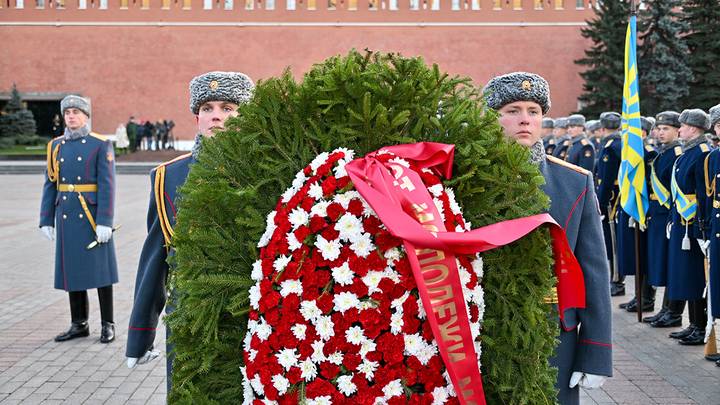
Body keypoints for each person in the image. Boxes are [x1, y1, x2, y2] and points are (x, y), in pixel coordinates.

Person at [485, 72, 612, 405]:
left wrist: (596, 352)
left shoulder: (574, 182)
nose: (525, 119)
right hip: (484, 332)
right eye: (512, 110)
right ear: (492, 117)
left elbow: (594, 271)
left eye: (533, 110)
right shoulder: (468, 178)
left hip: (554, 335)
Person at [125, 71, 255, 387]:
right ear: (197, 117)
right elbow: (156, 259)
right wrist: (140, 335)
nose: (216, 117)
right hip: (190, 317)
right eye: (207, 109)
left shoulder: (265, 173)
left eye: (227, 108)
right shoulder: (168, 177)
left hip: (250, 317)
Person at [39, 95, 118, 344]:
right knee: (72, 270)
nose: (71, 116)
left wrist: (105, 220)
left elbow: (107, 186)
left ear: (86, 116)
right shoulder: (56, 146)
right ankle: (79, 323)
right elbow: (50, 184)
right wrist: (45, 219)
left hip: (92, 217)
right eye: (67, 112)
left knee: (101, 272)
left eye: (76, 112)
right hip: (67, 214)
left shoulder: (99, 144)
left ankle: (108, 324)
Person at [666, 109, 712, 346]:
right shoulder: (688, 154)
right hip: (682, 223)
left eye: (682, 126)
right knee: (687, 275)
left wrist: (702, 228)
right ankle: (693, 324)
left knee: (696, 276)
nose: (679, 129)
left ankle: (700, 326)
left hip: (693, 225)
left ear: (693, 128)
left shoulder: (702, 153)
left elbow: (704, 195)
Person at [644, 111, 685, 327]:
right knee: (663, 262)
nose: (660, 132)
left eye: (665, 129)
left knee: (673, 264)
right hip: (658, 214)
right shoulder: (663, 152)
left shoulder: (677, 153)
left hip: (669, 214)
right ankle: (665, 309)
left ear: (677, 130)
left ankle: (674, 312)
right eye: (658, 128)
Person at [616, 117, 657, 313]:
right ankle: (638, 296)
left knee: (644, 254)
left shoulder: (649, 154)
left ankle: (647, 299)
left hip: (644, 211)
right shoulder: (629, 154)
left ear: (643, 133)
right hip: (631, 209)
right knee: (635, 253)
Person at [595, 111, 625, 296]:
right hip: (613, 196)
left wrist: (601, 201)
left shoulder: (612, 146)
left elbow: (606, 180)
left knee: (613, 241)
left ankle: (617, 281)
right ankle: (615, 279)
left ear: (603, 128)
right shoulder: (616, 144)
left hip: (611, 199)